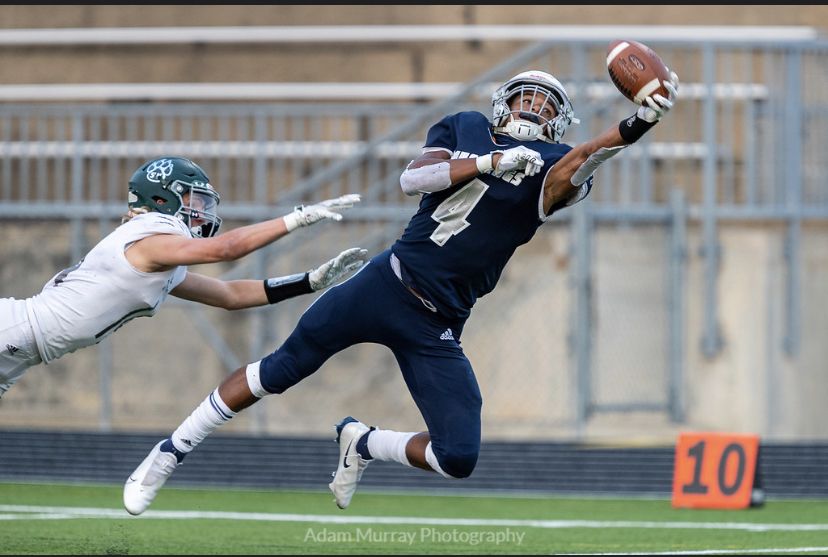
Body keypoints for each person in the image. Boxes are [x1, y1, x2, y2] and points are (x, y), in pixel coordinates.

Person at [123, 69, 679, 515]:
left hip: (437, 322)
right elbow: (413, 180)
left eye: (547, 105)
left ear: (560, 122)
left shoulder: (551, 170)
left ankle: (364, 443)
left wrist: (639, 122)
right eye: (526, 98)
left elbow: (589, 156)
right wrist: (488, 161)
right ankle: (169, 452)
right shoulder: (466, 126)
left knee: (458, 455)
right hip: (386, 282)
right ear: (503, 104)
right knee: (279, 369)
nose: (534, 110)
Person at [0, 156, 366, 401]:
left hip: (21, 350)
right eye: (195, 200)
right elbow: (227, 249)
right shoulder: (152, 235)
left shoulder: (159, 255)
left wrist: (309, 282)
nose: (203, 211)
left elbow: (230, 295)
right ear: (162, 200)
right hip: (13, 334)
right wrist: (295, 219)